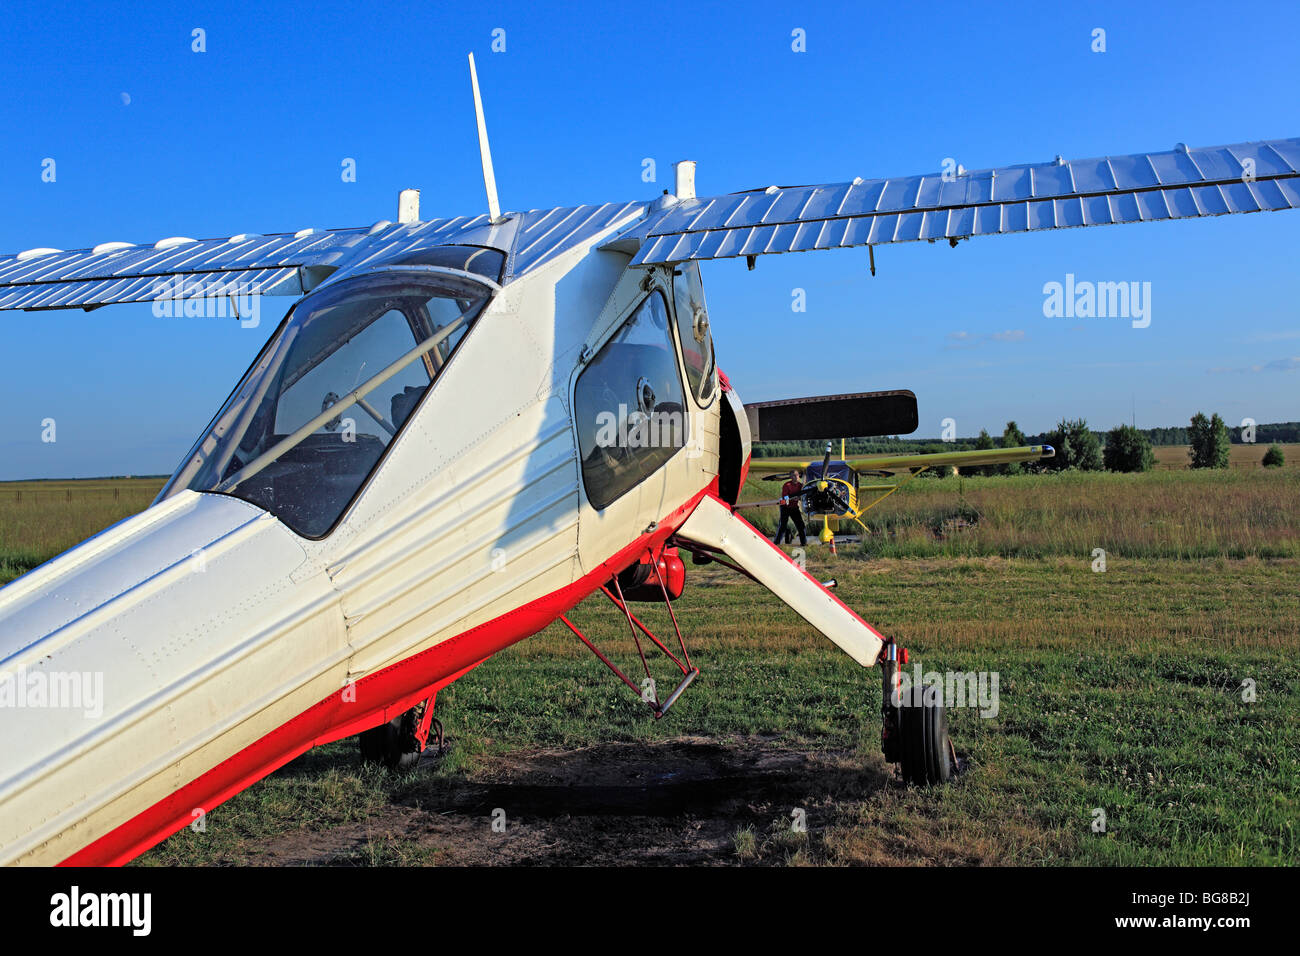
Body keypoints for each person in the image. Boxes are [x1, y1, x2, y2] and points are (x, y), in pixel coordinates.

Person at [774, 469, 807, 547]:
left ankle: (804, 543)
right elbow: (785, 497)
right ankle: (776, 543)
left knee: (801, 525)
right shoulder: (787, 485)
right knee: (783, 526)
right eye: (794, 475)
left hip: (794, 508)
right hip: (785, 507)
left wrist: (799, 498)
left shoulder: (800, 486)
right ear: (791, 477)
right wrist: (793, 498)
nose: (796, 477)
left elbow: (803, 495)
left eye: (797, 475)